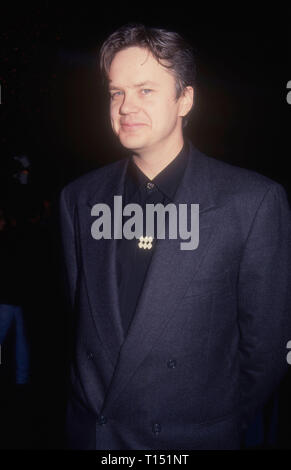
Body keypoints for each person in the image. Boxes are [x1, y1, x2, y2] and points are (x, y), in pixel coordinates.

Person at [58, 23, 291, 450]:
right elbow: (82, 325)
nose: (126, 106)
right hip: (94, 437)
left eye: (145, 90)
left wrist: (214, 423)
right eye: (116, 92)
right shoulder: (79, 198)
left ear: (186, 99)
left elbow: (266, 351)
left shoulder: (252, 202)